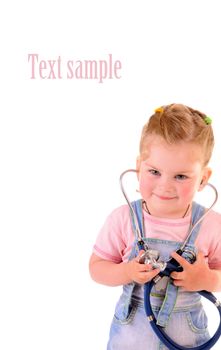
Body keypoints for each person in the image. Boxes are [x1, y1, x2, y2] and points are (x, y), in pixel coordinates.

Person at [89, 103, 221, 349]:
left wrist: (208, 279)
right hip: (130, 340)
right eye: (154, 172)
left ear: (203, 178)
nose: (165, 186)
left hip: (187, 340)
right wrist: (126, 272)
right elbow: (96, 268)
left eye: (181, 176)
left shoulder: (212, 225)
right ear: (139, 168)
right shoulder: (123, 219)